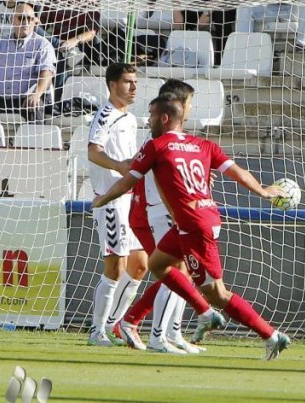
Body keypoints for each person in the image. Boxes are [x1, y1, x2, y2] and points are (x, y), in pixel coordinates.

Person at [91, 93, 292, 360]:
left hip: (194, 227)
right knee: (158, 265)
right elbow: (238, 172)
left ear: (164, 118)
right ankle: (195, 314)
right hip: (200, 219)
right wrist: (263, 191)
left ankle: (269, 335)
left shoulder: (157, 146)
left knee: (217, 293)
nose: (148, 120)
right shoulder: (204, 145)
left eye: (152, 116)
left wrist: (103, 198)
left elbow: (128, 181)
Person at [118, 79, 207, 355]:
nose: (191, 108)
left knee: (183, 273)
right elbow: (157, 179)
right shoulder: (161, 139)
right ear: (179, 104)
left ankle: (171, 332)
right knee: (174, 273)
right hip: (153, 213)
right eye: (189, 102)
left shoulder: (169, 137)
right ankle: (153, 333)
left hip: (159, 213)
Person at [86, 63, 147, 347]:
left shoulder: (130, 118)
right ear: (112, 85)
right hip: (110, 199)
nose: (133, 87)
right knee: (115, 266)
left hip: (131, 200)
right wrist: (119, 167)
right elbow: (93, 151)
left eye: (135, 82)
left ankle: (117, 325)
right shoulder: (105, 115)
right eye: (127, 82)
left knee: (140, 265)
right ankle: (96, 331)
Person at [0, 1, 56, 123]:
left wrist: (36, 94)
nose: (26, 22)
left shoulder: (42, 44)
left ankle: (34, 142)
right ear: (13, 20)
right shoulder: (0, 44)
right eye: (21, 18)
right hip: (0, 98)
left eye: (30, 19)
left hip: (27, 99)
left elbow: (47, 73)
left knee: (34, 106)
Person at [235, 0, 305, 52]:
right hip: (271, 8)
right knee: (244, 7)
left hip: (295, 9)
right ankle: (242, 50)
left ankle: (302, 46)